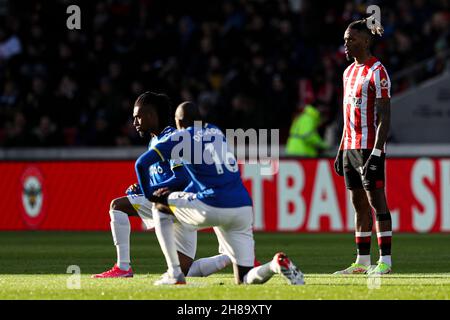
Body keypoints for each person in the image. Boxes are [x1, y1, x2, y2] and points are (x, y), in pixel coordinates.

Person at [135, 101, 305, 285]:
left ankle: (174, 273)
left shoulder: (181, 137)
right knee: (245, 278)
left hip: (213, 204)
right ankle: (275, 265)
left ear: (179, 122)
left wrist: (150, 194)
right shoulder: (216, 132)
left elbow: (141, 164)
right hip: (242, 207)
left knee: (159, 206)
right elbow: (208, 174)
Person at [92, 92, 231, 278]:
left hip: (175, 202)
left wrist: (148, 190)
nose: (135, 123)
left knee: (117, 206)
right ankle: (230, 257)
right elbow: (165, 177)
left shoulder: (172, 138)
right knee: (186, 270)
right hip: (181, 207)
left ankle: (123, 267)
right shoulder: (154, 141)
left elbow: (182, 177)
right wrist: (142, 187)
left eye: (138, 117)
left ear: (150, 115)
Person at [333, 17, 392, 275]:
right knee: (358, 204)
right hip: (350, 147)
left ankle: (386, 262)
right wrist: (341, 149)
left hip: (369, 148)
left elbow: (385, 116)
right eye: (345, 40)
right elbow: (347, 116)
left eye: (351, 39)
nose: (346, 44)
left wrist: (378, 152)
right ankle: (362, 261)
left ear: (365, 40)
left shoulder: (377, 71)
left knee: (377, 202)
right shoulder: (347, 73)